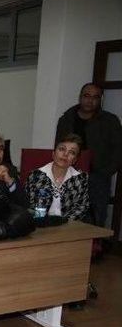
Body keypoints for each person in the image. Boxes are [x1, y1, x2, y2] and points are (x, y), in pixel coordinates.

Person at [56, 82, 122, 227]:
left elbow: (118, 151)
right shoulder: (67, 119)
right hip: (69, 175)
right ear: (80, 97)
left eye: (95, 97)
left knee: (96, 217)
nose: (90, 100)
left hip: (97, 176)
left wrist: (105, 172)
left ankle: (95, 248)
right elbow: (58, 147)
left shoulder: (110, 121)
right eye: (86, 95)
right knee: (67, 216)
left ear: (100, 100)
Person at [26, 134, 89, 221]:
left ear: (74, 160)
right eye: (62, 149)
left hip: (68, 227)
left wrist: (65, 225)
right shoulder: (36, 175)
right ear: (53, 153)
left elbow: (81, 208)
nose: (65, 154)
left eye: (72, 152)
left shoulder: (80, 179)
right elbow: (30, 206)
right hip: (41, 225)